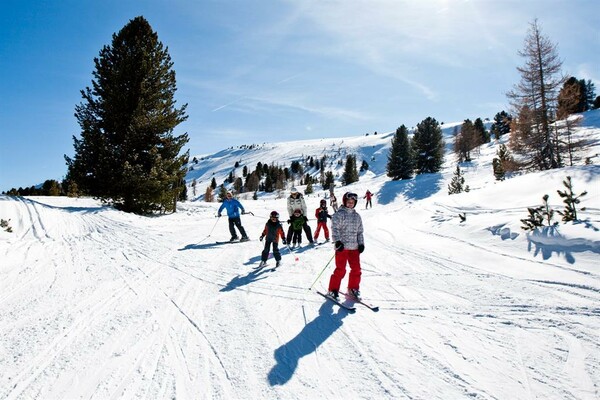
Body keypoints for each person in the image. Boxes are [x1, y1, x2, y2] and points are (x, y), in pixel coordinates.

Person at [327, 192, 365, 300]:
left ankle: (353, 288)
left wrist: (361, 243)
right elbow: (335, 229)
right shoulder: (339, 214)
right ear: (345, 202)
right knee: (340, 270)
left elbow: (360, 232)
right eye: (348, 202)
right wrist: (337, 241)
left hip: (354, 248)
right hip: (342, 248)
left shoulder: (357, 216)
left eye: (353, 202)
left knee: (356, 269)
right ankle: (332, 290)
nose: (350, 204)